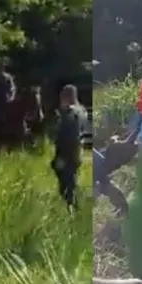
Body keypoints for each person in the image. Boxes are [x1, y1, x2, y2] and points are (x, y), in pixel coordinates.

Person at [51, 84, 87, 212]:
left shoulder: (70, 112)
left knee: (66, 185)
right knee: (71, 180)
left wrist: (61, 156)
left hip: (67, 152)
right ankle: (74, 209)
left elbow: (67, 135)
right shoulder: (82, 110)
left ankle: (71, 211)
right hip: (77, 151)